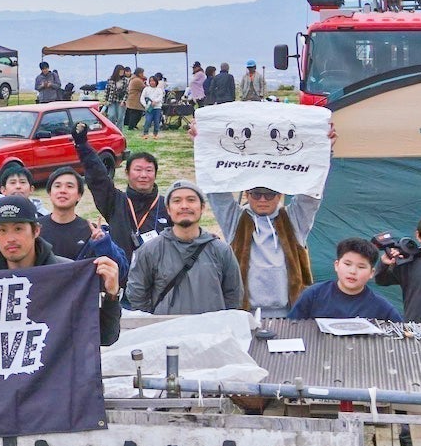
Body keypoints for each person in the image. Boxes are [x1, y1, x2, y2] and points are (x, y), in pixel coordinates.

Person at [0, 196, 122, 345]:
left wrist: (111, 295)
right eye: (2, 230)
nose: (10, 238)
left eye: (18, 228)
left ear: (36, 230)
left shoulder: (67, 275)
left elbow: (104, 337)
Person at [124, 181, 243, 316]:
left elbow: (234, 297)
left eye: (191, 200)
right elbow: (137, 296)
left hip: (211, 334)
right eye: (177, 201)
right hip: (166, 333)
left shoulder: (221, 250)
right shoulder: (149, 251)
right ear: (168, 209)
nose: (184, 206)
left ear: (202, 207)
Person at [208, 181, 323, 316]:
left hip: (289, 313)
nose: (262, 200)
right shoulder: (235, 220)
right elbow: (216, 192)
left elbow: (311, 195)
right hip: (244, 313)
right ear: (247, 195)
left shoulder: (294, 219)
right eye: (256, 194)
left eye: (269, 195)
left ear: (279, 195)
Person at [73, 122, 170, 257]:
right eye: (138, 170)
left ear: (155, 174)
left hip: (159, 274)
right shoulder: (115, 201)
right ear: (127, 172)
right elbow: (98, 178)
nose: (143, 175)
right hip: (122, 272)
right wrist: (82, 146)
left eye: (149, 170)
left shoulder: (167, 206)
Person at [36, 169, 128, 283]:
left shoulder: (92, 232)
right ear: (50, 193)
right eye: (57, 186)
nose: (63, 191)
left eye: (70, 186)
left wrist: (103, 244)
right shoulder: (35, 229)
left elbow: (121, 271)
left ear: (79, 195)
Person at [288, 239, 400, 322]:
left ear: (371, 273)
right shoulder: (313, 295)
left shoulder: (382, 307)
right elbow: (291, 328)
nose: (353, 271)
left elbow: (402, 334)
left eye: (361, 267)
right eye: (347, 264)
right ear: (336, 265)